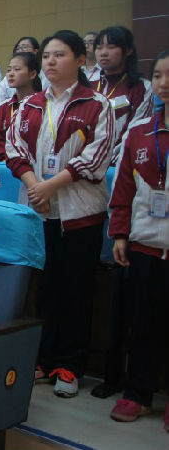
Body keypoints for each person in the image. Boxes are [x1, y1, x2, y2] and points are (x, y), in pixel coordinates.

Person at [5, 29, 115, 398]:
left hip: (79, 214)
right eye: (47, 55)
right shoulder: (30, 105)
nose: (51, 61)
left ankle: (70, 365)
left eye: (60, 55)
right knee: (45, 291)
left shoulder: (97, 105)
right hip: (38, 212)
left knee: (76, 291)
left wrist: (51, 186)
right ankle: (44, 358)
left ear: (80, 61)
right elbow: (13, 148)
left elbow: (96, 158)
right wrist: (35, 185)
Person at [106, 50, 168, 430]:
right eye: (158, 75)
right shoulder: (140, 131)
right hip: (144, 244)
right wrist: (120, 232)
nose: (164, 83)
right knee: (142, 323)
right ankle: (138, 393)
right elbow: (124, 188)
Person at [93, 26, 154, 162]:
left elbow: (136, 130)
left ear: (128, 50)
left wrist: (104, 160)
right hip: (83, 163)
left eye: (111, 47)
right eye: (99, 47)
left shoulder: (142, 87)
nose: (103, 53)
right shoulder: (88, 85)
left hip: (119, 162)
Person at [0, 52, 41, 161]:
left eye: (17, 69)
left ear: (33, 74)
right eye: (9, 70)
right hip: (6, 166)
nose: (11, 74)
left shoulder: (42, 106)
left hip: (34, 165)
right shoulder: (3, 108)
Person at [0, 37, 48, 102]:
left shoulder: (46, 74)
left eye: (24, 47)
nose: (20, 51)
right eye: (9, 70)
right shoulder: (5, 105)